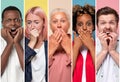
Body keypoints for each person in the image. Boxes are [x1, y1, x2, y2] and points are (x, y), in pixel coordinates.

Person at [0, 6, 24, 82]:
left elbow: (28, 71)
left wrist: (17, 43)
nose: (13, 24)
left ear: (21, 22)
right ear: (2, 23)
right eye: (8, 20)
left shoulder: (30, 40)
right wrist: (9, 43)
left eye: (17, 20)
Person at [72, 4, 95, 82]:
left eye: (88, 24)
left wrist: (92, 48)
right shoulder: (69, 46)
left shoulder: (100, 46)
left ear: (93, 26)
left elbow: (103, 74)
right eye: (80, 24)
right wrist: (75, 48)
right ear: (75, 27)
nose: (84, 28)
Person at [96, 6, 119, 82]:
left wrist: (112, 51)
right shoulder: (91, 44)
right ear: (97, 26)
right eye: (103, 23)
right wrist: (104, 51)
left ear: (117, 25)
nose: (108, 27)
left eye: (111, 23)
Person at [25, 6, 48, 82]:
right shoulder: (22, 43)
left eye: (36, 22)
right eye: (29, 22)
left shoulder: (48, 44)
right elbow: (19, 66)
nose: (32, 26)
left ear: (44, 23)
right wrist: (32, 42)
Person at [49, 8, 71, 82]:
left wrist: (69, 50)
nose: (59, 25)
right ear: (50, 26)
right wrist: (50, 51)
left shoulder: (76, 42)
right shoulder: (44, 43)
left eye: (63, 21)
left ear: (69, 24)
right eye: (55, 21)